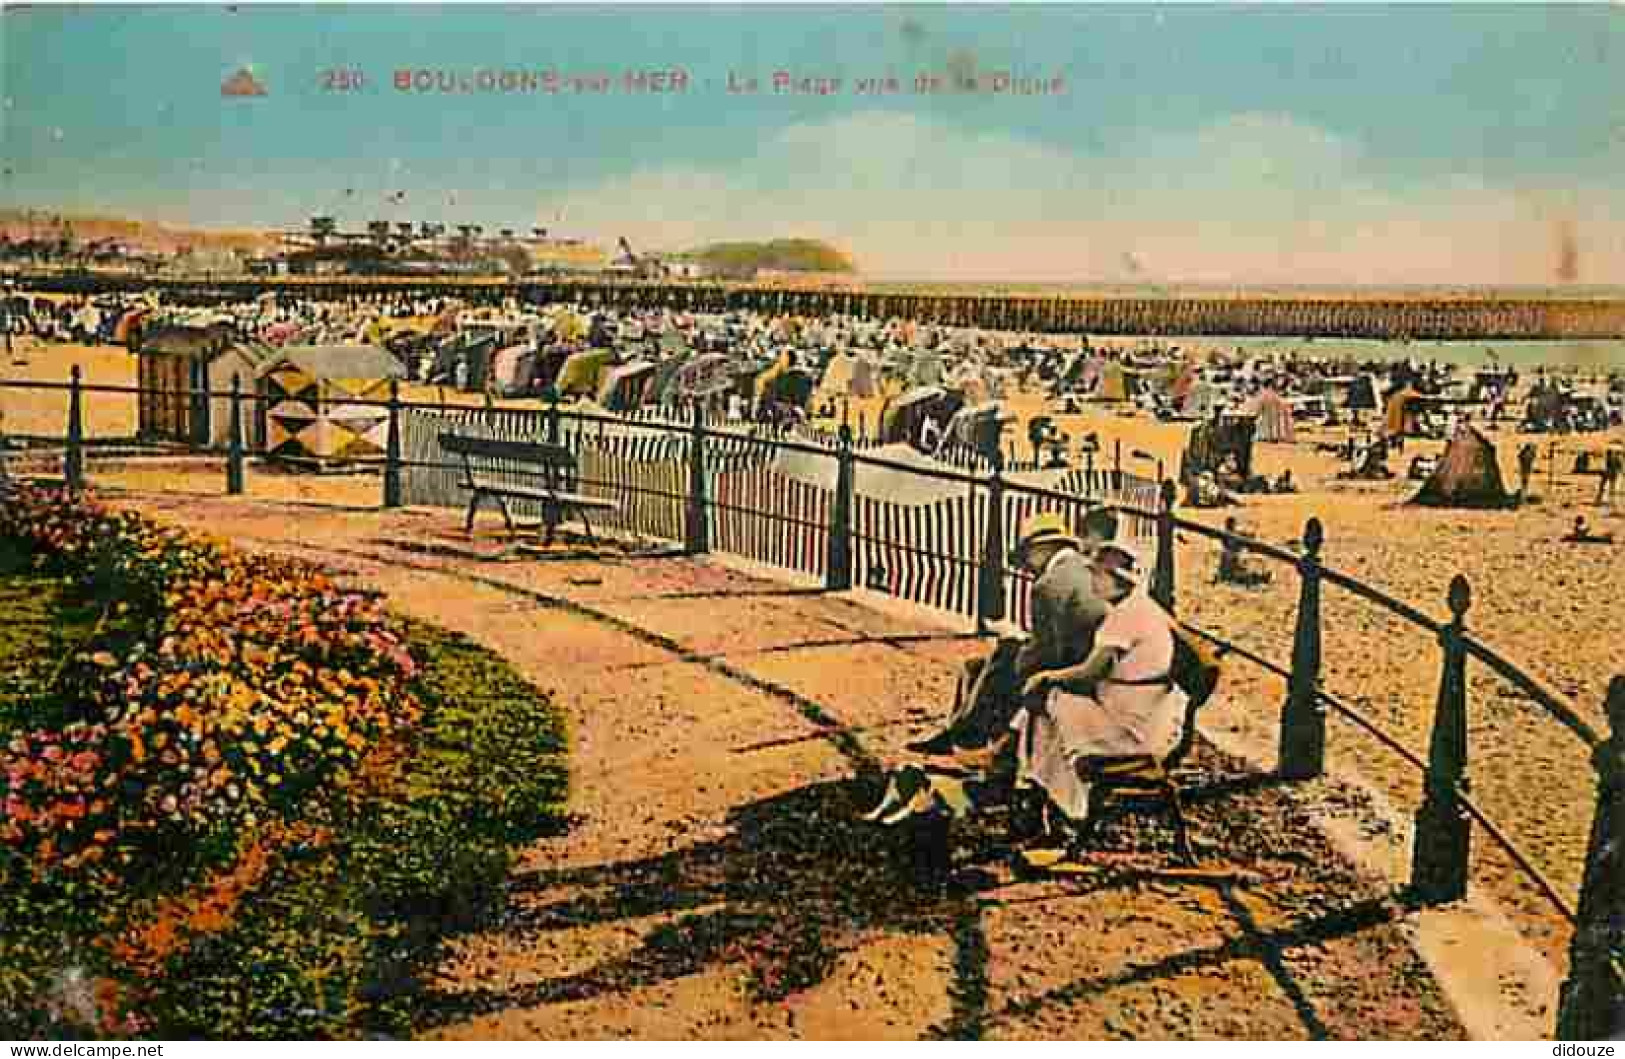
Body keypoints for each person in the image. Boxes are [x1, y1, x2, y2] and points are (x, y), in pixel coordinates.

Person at [1011, 539, 1188, 849]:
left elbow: (1090, 674)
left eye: (1097, 575)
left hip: (1133, 730)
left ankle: (1046, 797)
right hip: (1145, 715)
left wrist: (1046, 676)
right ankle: (1049, 802)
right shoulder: (1138, 607)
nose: (1091, 580)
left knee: (1049, 699)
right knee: (1045, 709)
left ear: (1118, 580)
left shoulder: (1125, 617)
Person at [905, 507, 1117, 756]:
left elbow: (1041, 655)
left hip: (1075, 670)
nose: (1027, 568)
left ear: (1041, 549)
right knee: (977, 666)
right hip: (1095, 659)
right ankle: (959, 733)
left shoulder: (1048, 584)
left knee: (1001, 658)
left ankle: (963, 737)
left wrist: (1016, 646)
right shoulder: (1085, 566)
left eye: (1027, 558)